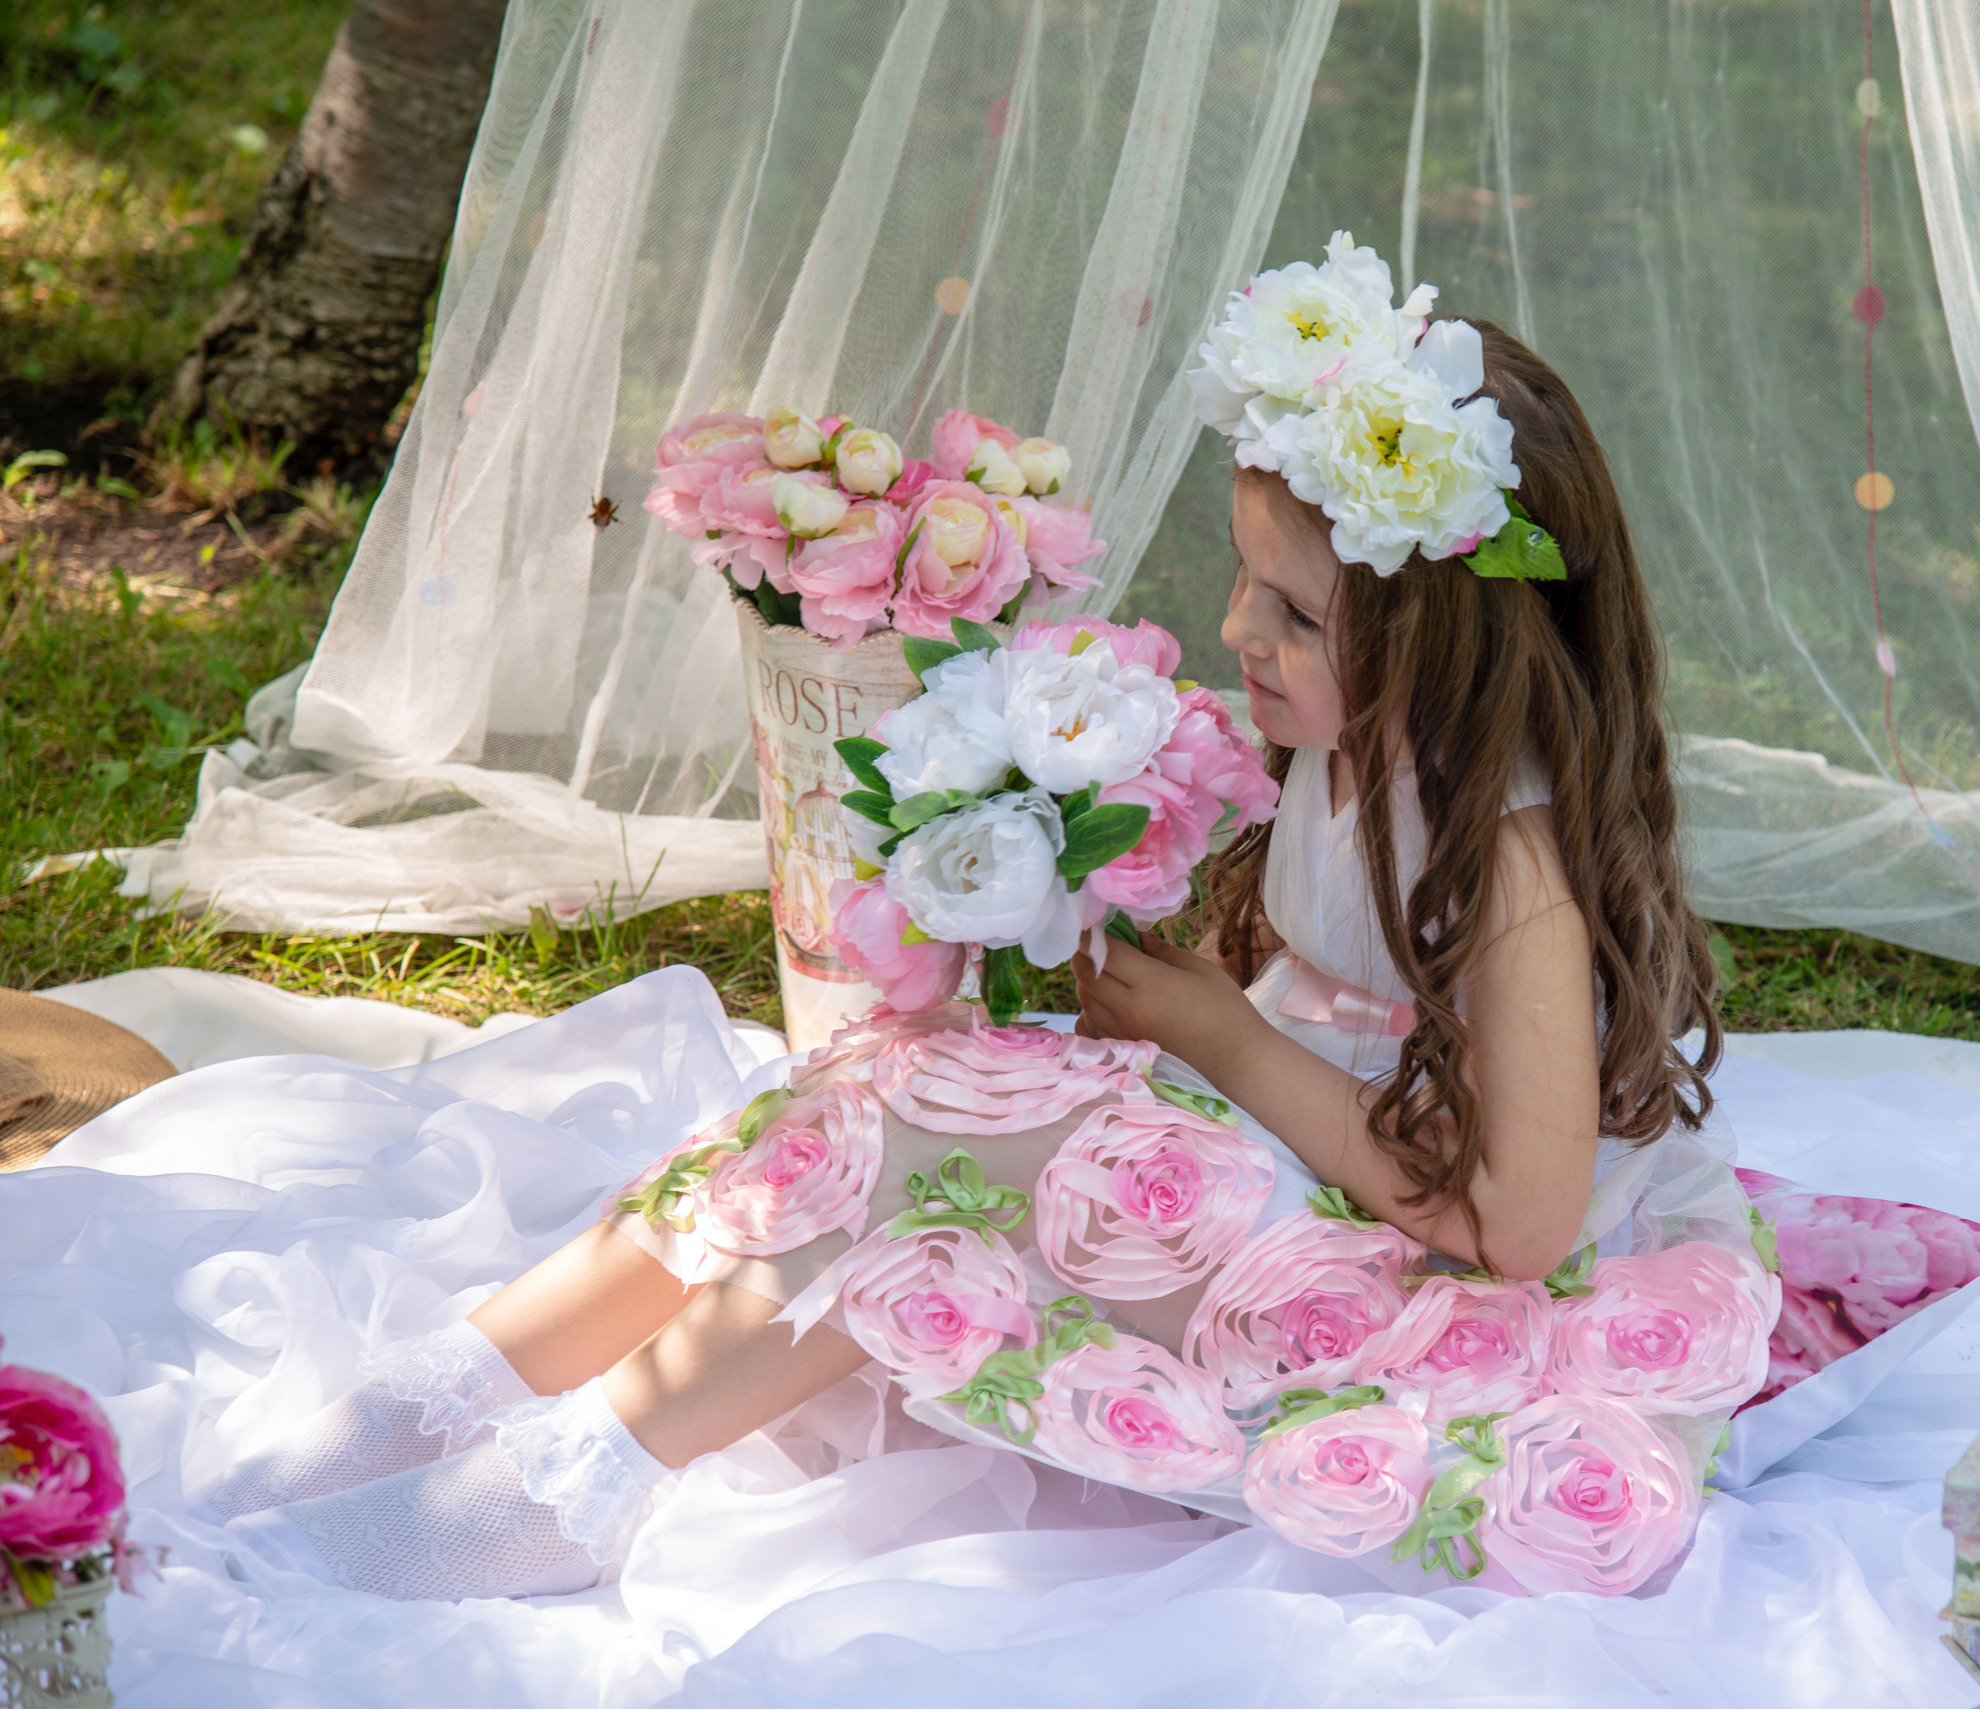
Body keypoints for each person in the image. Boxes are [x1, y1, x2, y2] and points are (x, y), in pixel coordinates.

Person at [203, 262, 1754, 1602]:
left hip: (1422, 1284)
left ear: (1447, 636)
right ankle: (453, 1388)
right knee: (870, 1091)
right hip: (1281, 1133)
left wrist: (1220, 1032)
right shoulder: (1360, 744)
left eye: (1292, 614)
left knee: (939, 1172)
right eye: (1245, 583)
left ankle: (566, 1489)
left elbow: (1520, 1227)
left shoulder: (1511, 865)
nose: (1237, 632)